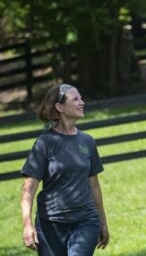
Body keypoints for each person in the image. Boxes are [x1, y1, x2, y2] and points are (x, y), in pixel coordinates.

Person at [20, 84, 109, 255]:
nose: (82, 102)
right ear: (60, 107)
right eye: (75, 99)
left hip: (85, 221)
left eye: (81, 98)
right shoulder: (45, 143)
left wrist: (102, 222)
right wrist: (27, 224)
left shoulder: (87, 141)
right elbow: (28, 190)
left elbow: (94, 187)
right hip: (50, 226)